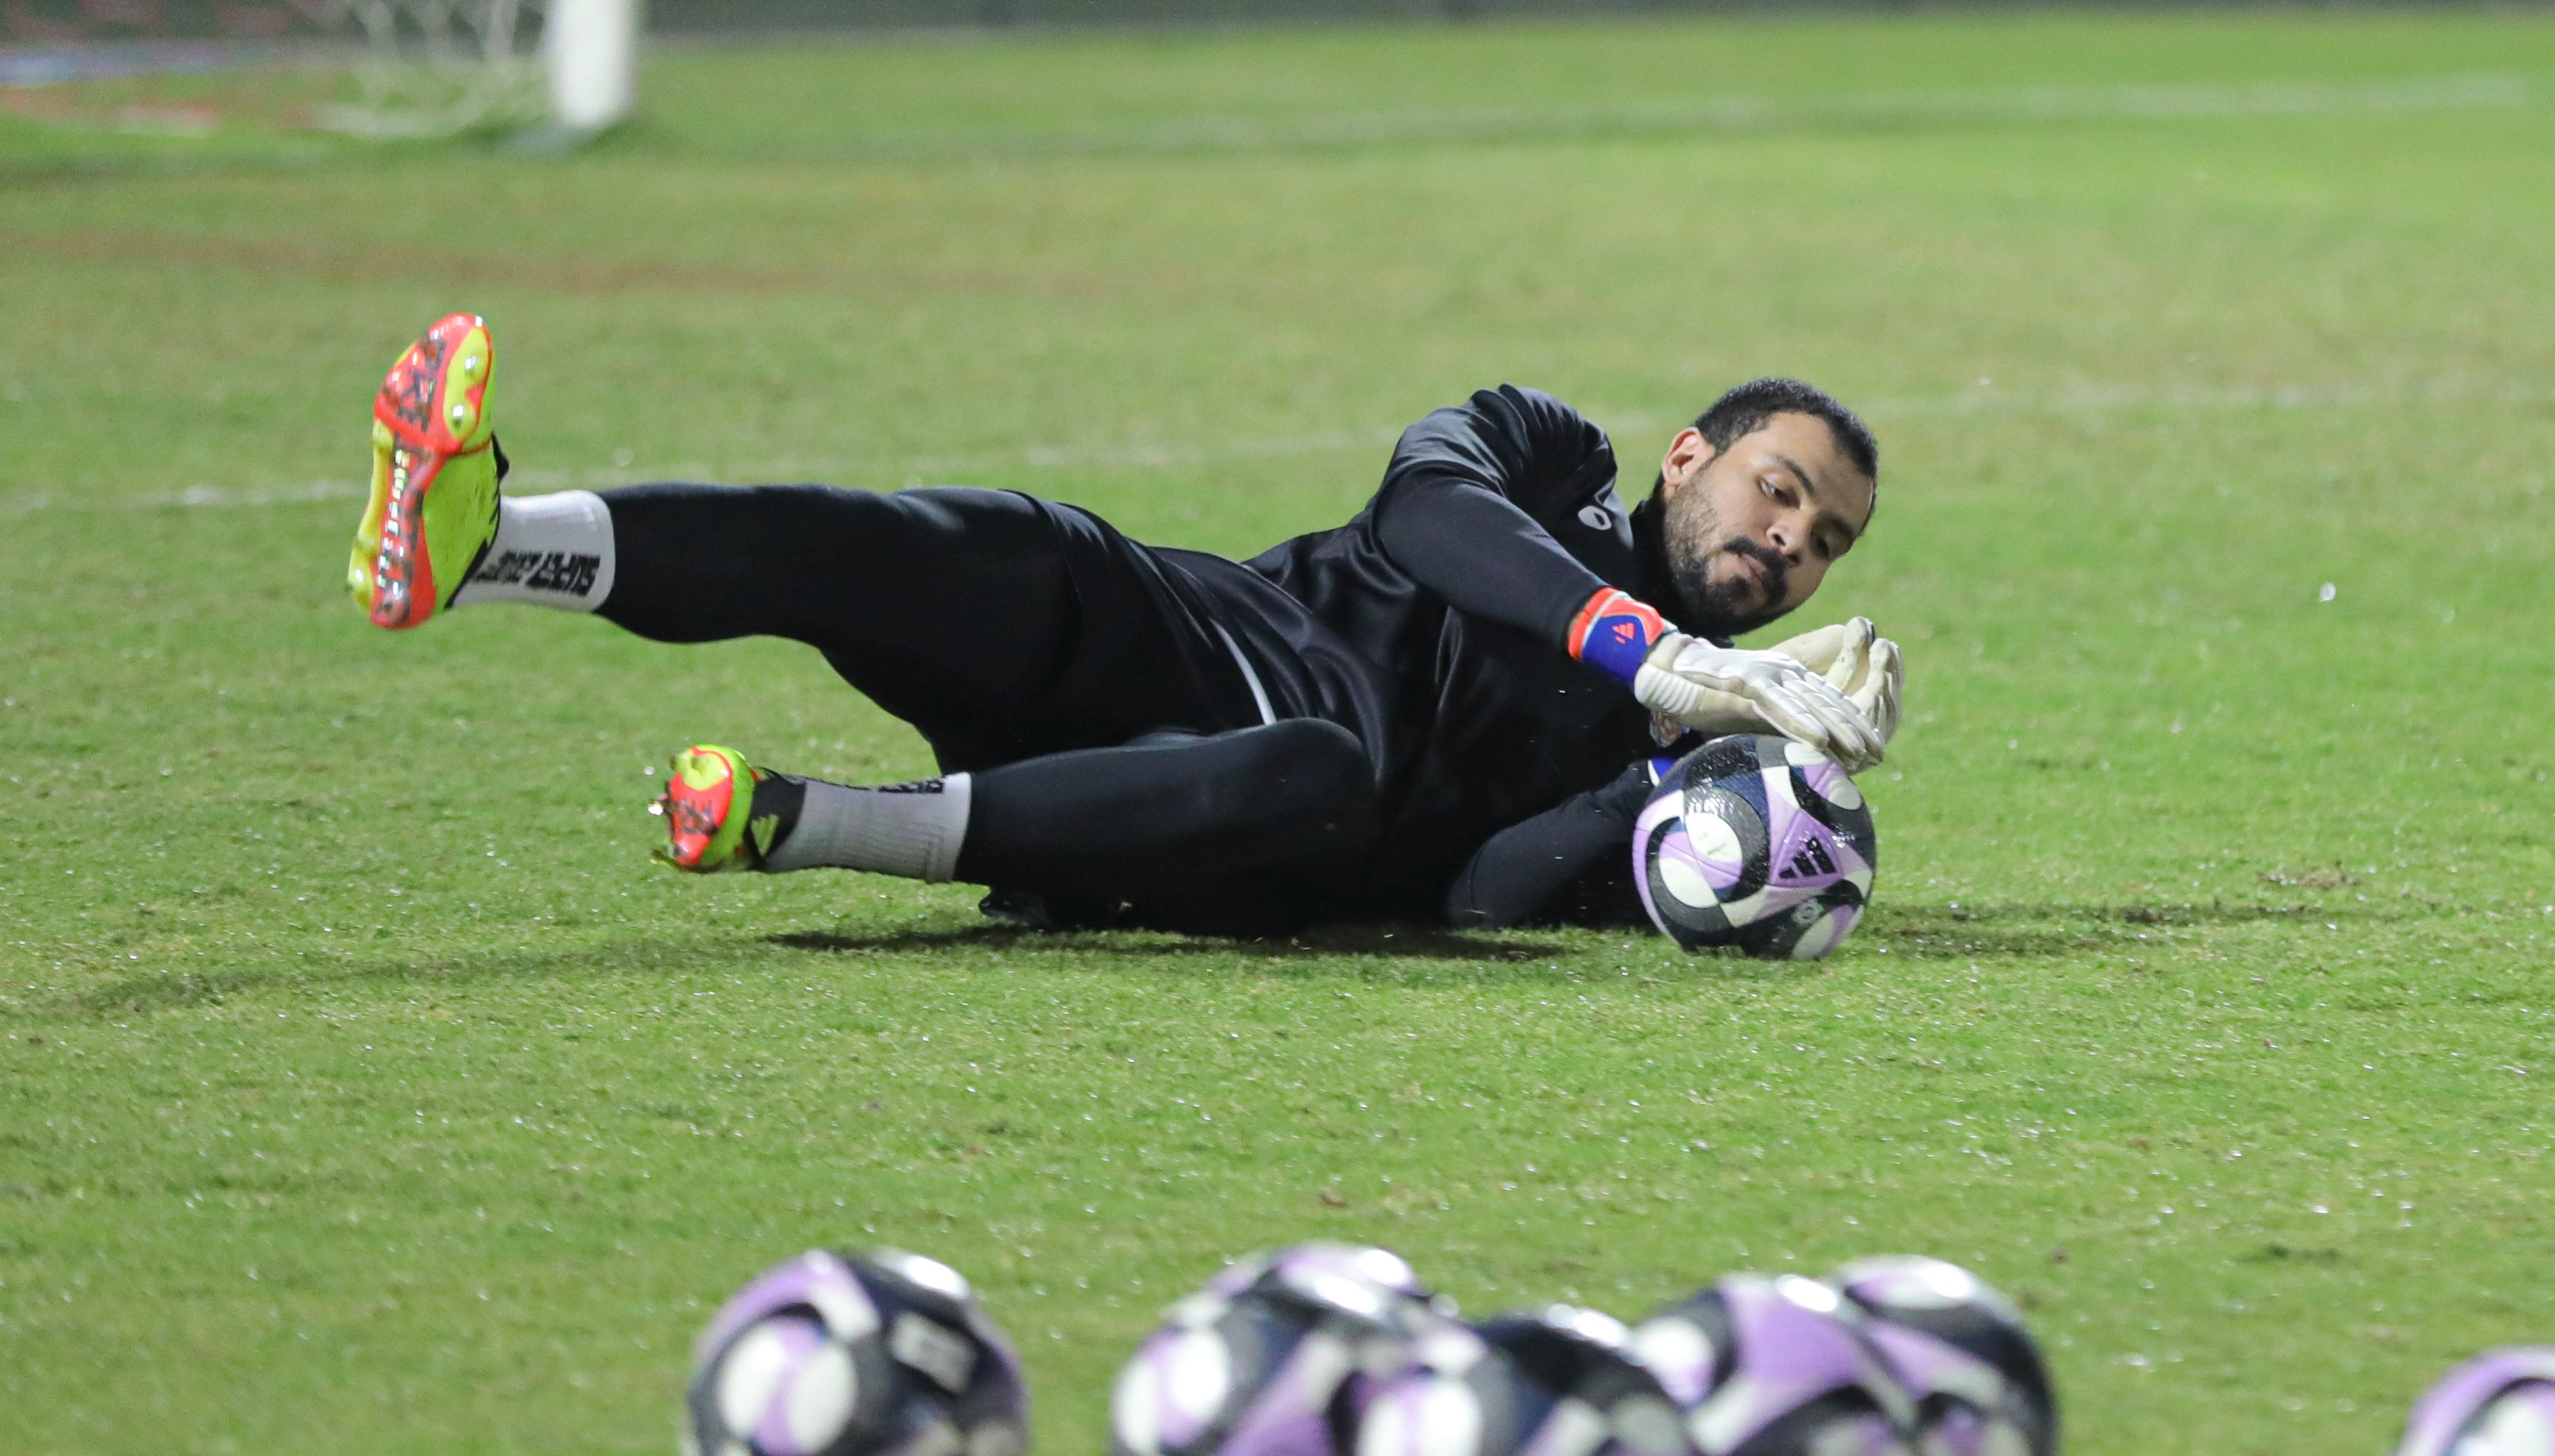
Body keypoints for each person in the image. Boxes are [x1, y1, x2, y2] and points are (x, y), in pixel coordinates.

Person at [345, 312, 1899, 936]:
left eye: (1825, 540)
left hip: (1243, 818)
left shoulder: (1684, 770)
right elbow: (1426, 508)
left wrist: (1672, 761)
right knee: (945, 545)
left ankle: (807, 826)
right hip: (1175, 625)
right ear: (1689, 456)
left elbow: (1487, 899)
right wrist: (1652, 647)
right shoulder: (1551, 454)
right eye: (1779, 489)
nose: (1787, 540)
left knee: (1310, 766)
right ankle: (480, 542)